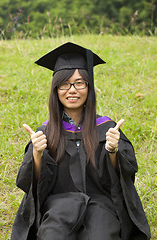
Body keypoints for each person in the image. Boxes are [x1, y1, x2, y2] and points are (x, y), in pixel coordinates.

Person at [11, 42, 151, 240]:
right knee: (52, 235)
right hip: (57, 207)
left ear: (88, 86)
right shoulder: (46, 132)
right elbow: (33, 185)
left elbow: (121, 178)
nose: (72, 90)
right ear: (56, 90)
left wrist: (112, 151)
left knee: (102, 235)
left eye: (79, 83)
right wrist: (37, 154)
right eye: (64, 84)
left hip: (101, 205)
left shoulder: (106, 128)